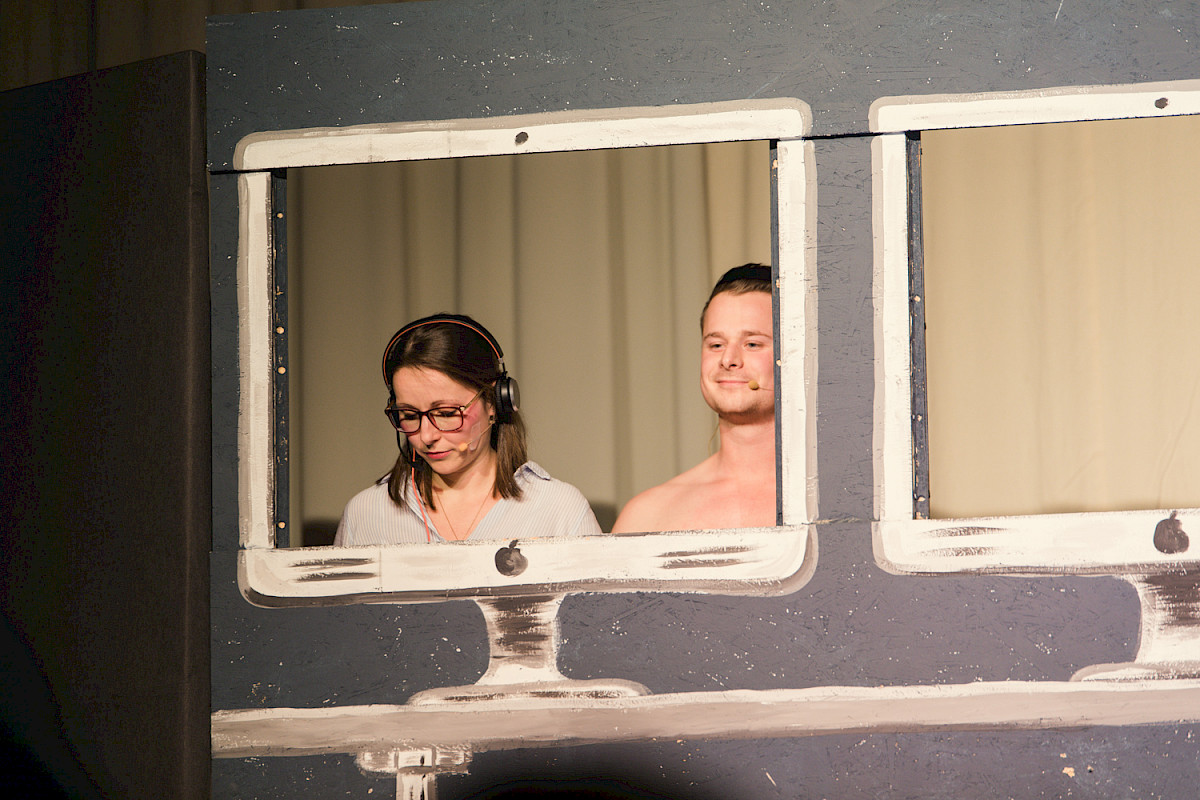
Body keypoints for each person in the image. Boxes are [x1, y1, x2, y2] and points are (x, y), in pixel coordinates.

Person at [335, 313, 602, 545]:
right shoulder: (365, 515)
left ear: (494, 402)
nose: (426, 436)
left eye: (446, 413)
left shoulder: (559, 511)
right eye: (409, 415)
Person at [611, 264, 776, 532]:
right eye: (716, 345)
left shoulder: (836, 499)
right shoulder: (646, 517)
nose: (728, 359)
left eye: (752, 344)